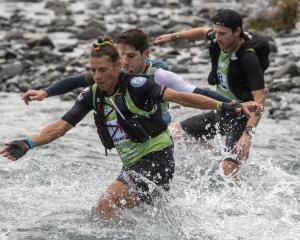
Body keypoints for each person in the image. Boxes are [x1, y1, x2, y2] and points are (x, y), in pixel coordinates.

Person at [0, 37, 259, 220]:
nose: (98, 76)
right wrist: (29, 143)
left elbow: (181, 97)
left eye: (103, 70)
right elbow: (60, 127)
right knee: (140, 217)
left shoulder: (139, 84)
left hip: (157, 158)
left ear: (117, 66)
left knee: (105, 207)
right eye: (93, 71)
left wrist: (226, 106)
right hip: (132, 163)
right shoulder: (92, 94)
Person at [21, 28, 232, 126]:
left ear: (145, 55)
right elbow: (77, 80)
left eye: (131, 56)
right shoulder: (115, 72)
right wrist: (45, 92)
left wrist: (233, 104)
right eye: (121, 56)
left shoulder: (160, 75)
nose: (125, 62)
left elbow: (194, 93)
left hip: (158, 126)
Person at [154, 9, 267, 176]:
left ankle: (240, 186)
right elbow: (201, 32)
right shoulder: (218, 39)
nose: (218, 38)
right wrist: (173, 36)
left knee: (228, 169)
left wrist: (247, 135)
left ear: (237, 32)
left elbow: (260, 98)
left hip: (240, 118)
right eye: (216, 33)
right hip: (222, 110)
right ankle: (216, 158)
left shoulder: (248, 58)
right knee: (175, 134)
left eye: (223, 33)